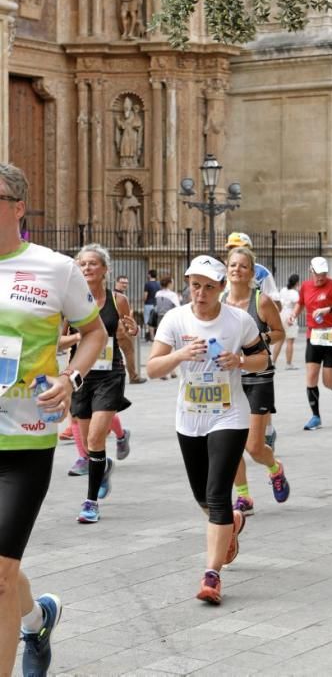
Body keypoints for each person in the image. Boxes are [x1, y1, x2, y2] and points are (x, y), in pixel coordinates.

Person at [0, 163, 106, 676]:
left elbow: (94, 333)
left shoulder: (53, 267)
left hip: (24, 438)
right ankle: (38, 618)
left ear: (18, 206)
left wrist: (70, 379)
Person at [147, 255, 268, 605]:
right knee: (202, 495)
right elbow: (153, 368)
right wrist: (181, 355)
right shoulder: (175, 318)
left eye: (208, 287)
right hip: (189, 417)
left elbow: (263, 358)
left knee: (217, 494)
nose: (200, 293)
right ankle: (229, 523)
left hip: (229, 416)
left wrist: (240, 361)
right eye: (195, 285)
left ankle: (212, 575)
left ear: (221, 289)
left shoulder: (239, 320)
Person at [72, 244, 137, 523]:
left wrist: (131, 332)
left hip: (110, 374)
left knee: (97, 437)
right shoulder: (71, 300)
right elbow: (58, 339)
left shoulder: (117, 300)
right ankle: (103, 464)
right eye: (82, 264)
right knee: (89, 445)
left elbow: (127, 333)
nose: (87, 268)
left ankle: (90, 502)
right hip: (80, 375)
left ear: (104, 270)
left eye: (93, 264)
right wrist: (82, 339)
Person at [223, 247, 289, 517]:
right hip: (230, 378)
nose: (237, 270)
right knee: (230, 442)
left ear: (251, 272)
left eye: (243, 266)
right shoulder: (221, 302)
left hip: (258, 377)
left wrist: (256, 343)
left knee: (253, 447)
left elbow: (279, 332)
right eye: (233, 265)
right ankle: (244, 497)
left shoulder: (261, 301)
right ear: (227, 270)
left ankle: (274, 468)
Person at [289, 256, 332, 430]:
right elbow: (300, 303)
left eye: (323, 274)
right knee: (311, 376)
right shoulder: (305, 286)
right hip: (314, 335)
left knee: (327, 381)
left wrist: (330, 309)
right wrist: (294, 314)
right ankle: (315, 416)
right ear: (311, 272)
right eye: (317, 274)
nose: (320, 278)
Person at [225, 232, 281, 307]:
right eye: (231, 249)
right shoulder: (223, 273)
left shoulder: (261, 273)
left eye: (239, 248)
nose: (235, 252)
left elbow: (276, 305)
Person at [114, 274, 146, 384]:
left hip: (112, 331)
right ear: (116, 282)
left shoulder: (113, 295)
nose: (124, 285)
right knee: (129, 352)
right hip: (121, 330)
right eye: (122, 282)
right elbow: (125, 317)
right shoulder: (118, 297)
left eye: (126, 283)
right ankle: (133, 376)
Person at [273, 273, 300, 369]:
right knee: (290, 341)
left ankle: (273, 362)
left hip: (281, 314)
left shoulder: (283, 290)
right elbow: (298, 305)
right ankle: (288, 364)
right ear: (297, 282)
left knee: (279, 341)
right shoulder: (295, 293)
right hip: (289, 315)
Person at [154, 276, 180, 380]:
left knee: (162, 345)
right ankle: (172, 371)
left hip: (160, 319)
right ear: (169, 283)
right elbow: (178, 308)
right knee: (171, 346)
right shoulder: (172, 295)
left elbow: (156, 307)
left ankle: (163, 373)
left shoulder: (158, 294)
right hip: (171, 319)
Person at [143, 268, 160, 341]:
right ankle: (156, 336)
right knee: (155, 320)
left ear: (149, 275)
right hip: (156, 304)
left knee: (148, 321)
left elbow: (145, 296)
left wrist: (143, 300)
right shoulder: (158, 284)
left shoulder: (147, 284)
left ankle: (151, 337)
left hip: (148, 304)